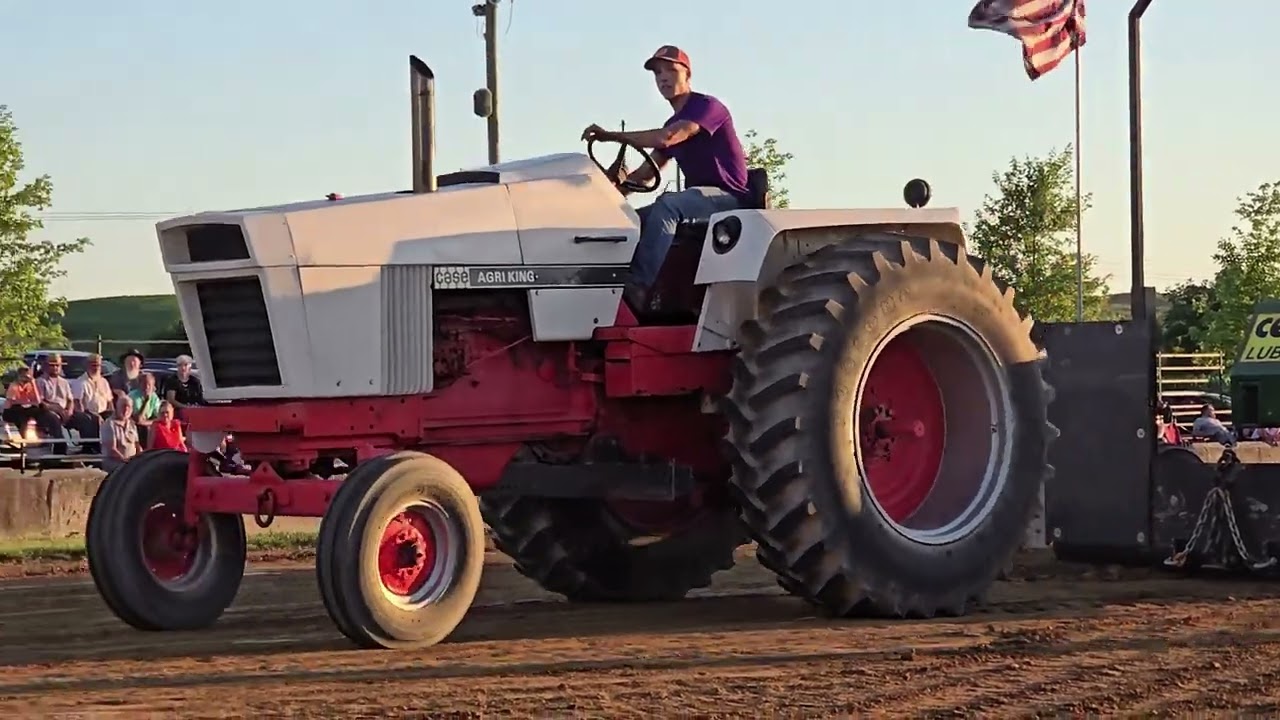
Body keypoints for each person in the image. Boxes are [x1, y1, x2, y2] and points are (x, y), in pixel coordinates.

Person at [580, 45, 749, 310]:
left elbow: (667, 137)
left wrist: (610, 136)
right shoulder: (674, 121)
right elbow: (646, 174)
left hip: (728, 199)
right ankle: (620, 291)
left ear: (687, 75)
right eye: (658, 73)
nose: (663, 78)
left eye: (671, 70)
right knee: (633, 219)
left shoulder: (707, 107)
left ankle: (636, 288)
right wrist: (608, 197)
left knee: (668, 205)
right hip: (697, 202)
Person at [3, 365, 49, 439]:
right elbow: (11, 402)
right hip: (13, 410)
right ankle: (23, 437)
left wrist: (33, 383)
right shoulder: (14, 386)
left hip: (27, 408)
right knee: (22, 415)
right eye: (24, 375)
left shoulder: (31, 385)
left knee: (42, 410)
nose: (26, 377)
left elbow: (38, 400)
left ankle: (44, 431)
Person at [100, 394, 140, 472]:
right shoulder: (109, 424)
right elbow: (112, 450)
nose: (126, 409)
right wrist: (126, 461)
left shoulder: (132, 424)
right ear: (117, 408)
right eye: (123, 406)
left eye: (128, 407)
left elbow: (137, 445)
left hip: (130, 463)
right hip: (114, 463)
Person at [162, 355, 204, 419]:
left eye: (185, 365)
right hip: (177, 413)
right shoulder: (172, 381)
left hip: (194, 412)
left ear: (190, 367)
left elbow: (200, 398)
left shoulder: (195, 382)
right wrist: (185, 407)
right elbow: (171, 400)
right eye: (180, 365)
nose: (183, 368)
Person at [129, 372, 162, 446]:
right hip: (133, 424)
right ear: (139, 384)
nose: (147, 387)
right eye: (144, 384)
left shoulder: (154, 397)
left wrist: (146, 422)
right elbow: (138, 419)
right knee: (145, 429)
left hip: (146, 423)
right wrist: (146, 401)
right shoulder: (133, 396)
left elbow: (159, 417)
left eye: (149, 385)